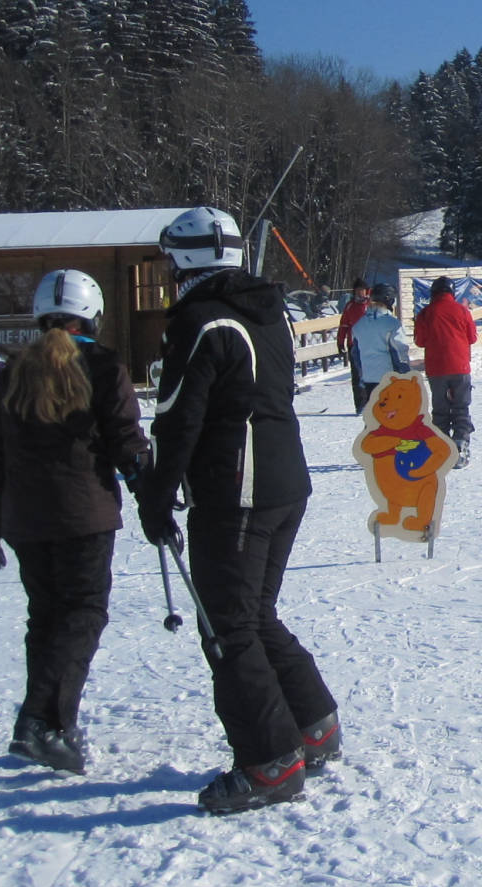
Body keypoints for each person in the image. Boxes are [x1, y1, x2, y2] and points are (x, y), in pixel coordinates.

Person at [136, 206, 338, 815]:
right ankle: (312, 724)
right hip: (284, 482)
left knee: (228, 626)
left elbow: (177, 418)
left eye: (171, 260)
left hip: (240, 490)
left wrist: (155, 494)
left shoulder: (200, 320)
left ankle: (269, 761)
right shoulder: (265, 307)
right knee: (254, 613)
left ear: (186, 260)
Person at [0, 269, 148, 774]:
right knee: (82, 613)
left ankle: (52, 721)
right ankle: (42, 721)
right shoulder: (100, 364)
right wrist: (150, 488)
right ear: (91, 314)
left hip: (26, 516)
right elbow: (124, 437)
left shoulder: (13, 370)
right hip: (82, 513)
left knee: (47, 617)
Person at [413, 276, 478, 466]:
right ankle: (461, 446)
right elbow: (472, 337)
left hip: (437, 368)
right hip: (460, 366)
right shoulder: (462, 311)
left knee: (440, 409)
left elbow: (420, 341)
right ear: (452, 292)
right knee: (461, 407)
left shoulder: (425, 313)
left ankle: (441, 448)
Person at [348, 282, 412, 410]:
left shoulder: (359, 325)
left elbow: (356, 354)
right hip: (389, 379)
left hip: (368, 379)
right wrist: (405, 375)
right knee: (393, 418)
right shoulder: (392, 324)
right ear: (389, 299)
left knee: (374, 418)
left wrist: (362, 374)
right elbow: (398, 352)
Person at [336, 280, 373, 412]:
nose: (359, 293)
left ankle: (372, 403)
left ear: (366, 291)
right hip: (354, 345)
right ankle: (360, 405)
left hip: (371, 345)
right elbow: (344, 325)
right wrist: (340, 341)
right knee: (357, 376)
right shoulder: (350, 306)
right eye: (357, 290)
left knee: (372, 374)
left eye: (362, 290)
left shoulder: (371, 305)